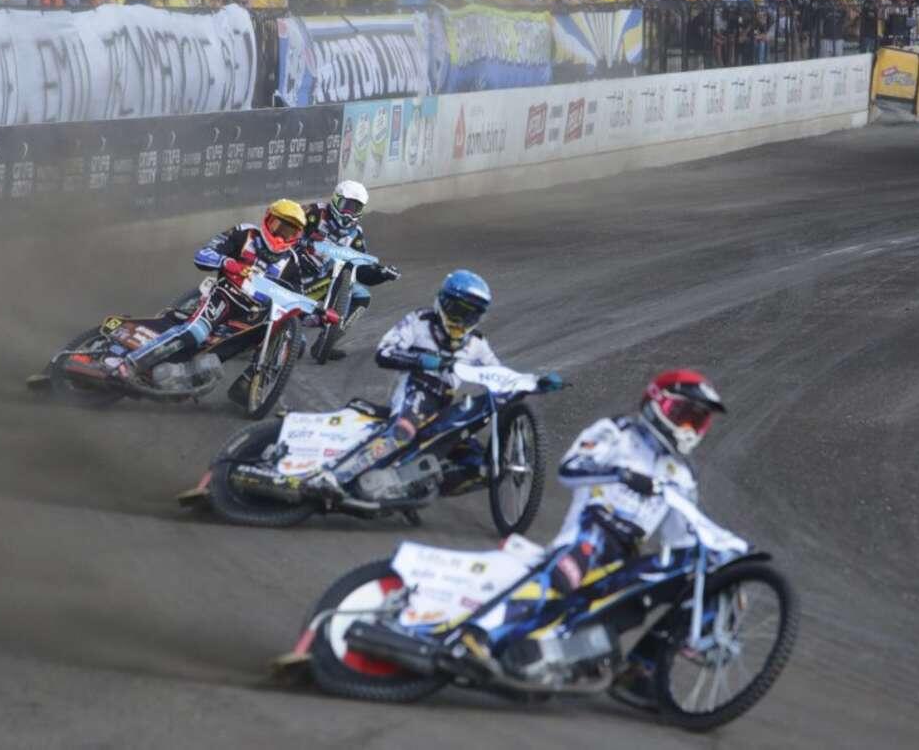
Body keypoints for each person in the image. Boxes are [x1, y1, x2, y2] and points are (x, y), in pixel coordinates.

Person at [457, 369, 727, 702]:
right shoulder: (616, 432)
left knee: (683, 583)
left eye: (696, 421)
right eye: (683, 415)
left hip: (627, 553)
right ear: (658, 403)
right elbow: (569, 469)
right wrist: (621, 474)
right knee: (564, 576)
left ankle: (641, 671)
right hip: (590, 533)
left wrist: (723, 574)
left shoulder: (683, 474)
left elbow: (681, 539)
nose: (687, 427)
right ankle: (478, 633)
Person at [306, 270, 555, 499]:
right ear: (444, 302)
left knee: (482, 468)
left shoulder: (476, 343)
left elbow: (498, 375)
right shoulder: (418, 321)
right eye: (457, 310)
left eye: (470, 313)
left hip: (445, 405)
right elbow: (384, 352)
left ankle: (411, 488)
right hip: (415, 390)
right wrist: (424, 361)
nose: (462, 318)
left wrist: (535, 382)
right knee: (403, 432)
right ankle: (333, 476)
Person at [118, 200, 313, 382]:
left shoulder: (292, 260)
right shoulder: (244, 233)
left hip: (254, 315)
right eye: (279, 227)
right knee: (196, 331)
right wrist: (228, 262)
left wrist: (319, 313)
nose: (281, 236)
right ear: (268, 220)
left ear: (296, 236)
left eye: (289, 232)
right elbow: (204, 254)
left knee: (291, 341)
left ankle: (242, 384)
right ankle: (132, 363)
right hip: (226, 295)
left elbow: (298, 296)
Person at [297, 180, 399, 361]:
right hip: (293, 273)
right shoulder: (313, 212)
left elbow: (361, 270)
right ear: (336, 200)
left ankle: (326, 341)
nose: (349, 213)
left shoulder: (356, 234)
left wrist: (382, 274)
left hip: (323, 280)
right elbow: (283, 229)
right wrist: (302, 241)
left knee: (363, 297)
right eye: (346, 206)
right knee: (296, 348)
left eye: (355, 208)